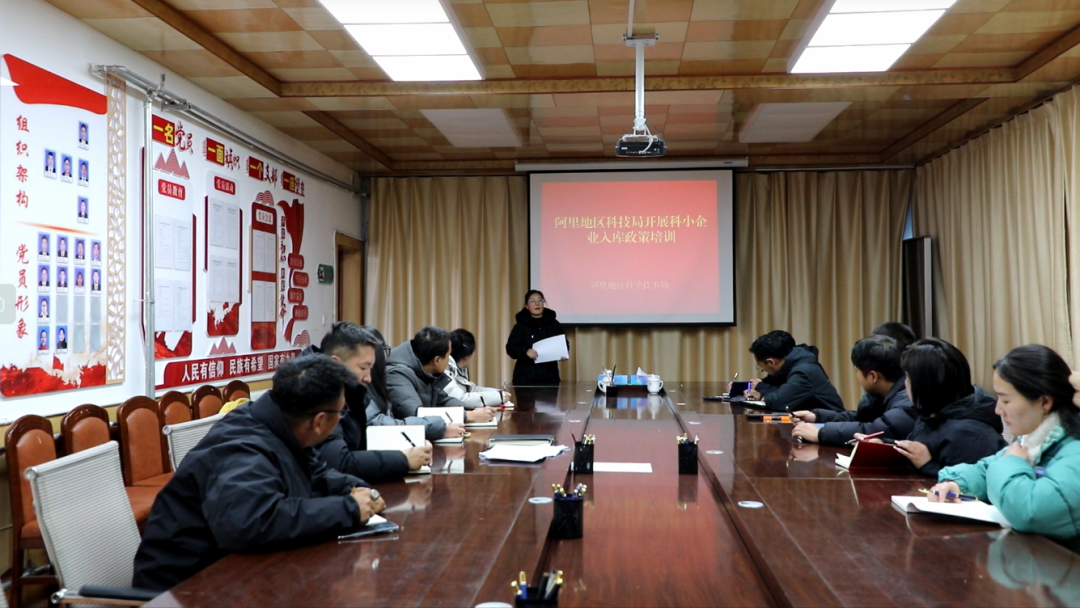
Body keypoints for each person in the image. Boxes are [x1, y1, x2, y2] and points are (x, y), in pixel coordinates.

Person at [132, 355, 386, 592]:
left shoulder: (281, 424)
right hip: (182, 590)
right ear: (319, 421)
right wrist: (349, 509)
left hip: (233, 576)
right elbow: (253, 521)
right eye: (341, 412)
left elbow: (318, 473)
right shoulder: (241, 447)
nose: (341, 418)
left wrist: (358, 490)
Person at [929, 345, 1080, 552]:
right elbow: (988, 468)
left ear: (1044, 402)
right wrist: (957, 484)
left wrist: (1012, 463)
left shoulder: (1074, 449)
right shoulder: (1037, 439)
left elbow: (1032, 512)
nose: (998, 409)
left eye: (1006, 400)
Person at [306, 322, 433, 481]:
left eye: (370, 368)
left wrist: (413, 442)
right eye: (363, 368)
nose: (369, 378)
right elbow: (338, 462)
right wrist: (403, 460)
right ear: (335, 363)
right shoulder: (315, 394)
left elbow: (359, 447)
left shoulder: (347, 388)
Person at [890, 338, 1005, 476]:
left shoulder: (968, 433)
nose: (905, 385)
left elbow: (968, 484)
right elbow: (920, 448)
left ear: (925, 385)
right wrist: (883, 445)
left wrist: (928, 465)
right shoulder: (934, 413)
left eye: (908, 379)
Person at [792, 334, 915, 445]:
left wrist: (821, 433)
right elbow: (863, 420)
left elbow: (875, 430)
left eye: (857, 371)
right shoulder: (883, 395)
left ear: (873, 376)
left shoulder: (907, 401)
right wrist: (818, 417)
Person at [364, 326, 462, 441]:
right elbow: (379, 424)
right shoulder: (395, 373)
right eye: (363, 366)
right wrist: (442, 428)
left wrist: (467, 413)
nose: (385, 358)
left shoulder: (423, 371)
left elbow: (442, 399)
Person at [387, 326, 496, 424]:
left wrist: (473, 410)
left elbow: (443, 400)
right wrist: (466, 416)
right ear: (437, 360)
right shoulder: (396, 375)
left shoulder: (426, 371)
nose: (449, 361)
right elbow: (416, 414)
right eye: (448, 356)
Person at [746, 330, 844, 412]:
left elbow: (780, 402)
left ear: (771, 362)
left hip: (827, 424)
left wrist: (761, 393)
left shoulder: (804, 371)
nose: (763, 371)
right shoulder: (788, 367)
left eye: (761, 367)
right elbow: (778, 389)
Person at [505, 290, 567, 386]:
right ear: (526, 306)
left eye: (540, 300)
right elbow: (511, 348)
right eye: (532, 301)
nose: (537, 303)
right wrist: (525, 351)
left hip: (549, 376)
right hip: (525, 376)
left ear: (543, 303)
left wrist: (563, 353)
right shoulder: (520, 326)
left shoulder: (554, 324)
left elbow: (564, 343)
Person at [445, 328, 511, 408]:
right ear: (467, 355)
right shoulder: (445, 369)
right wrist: (498, 397)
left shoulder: (457, 367)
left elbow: (471, 389)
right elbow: (461, 400)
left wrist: (498, 393)